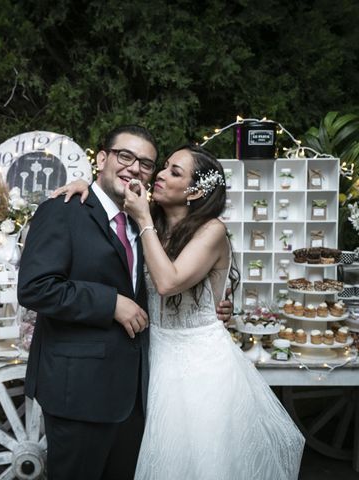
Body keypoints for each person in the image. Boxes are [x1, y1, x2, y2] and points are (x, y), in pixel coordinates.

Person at [59, 144, 305, 479]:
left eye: (174, 172)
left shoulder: (211, 230)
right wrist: (87, 184)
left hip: (201, 366)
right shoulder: (149, 224)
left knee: (202, 462)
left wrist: (143, 218)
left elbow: (167, 282)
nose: (159, 174)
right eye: (164, 167)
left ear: (195, 191)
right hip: (152, 355)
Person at [17, 126, 233, 480]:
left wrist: (219, 305)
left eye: (147, 164)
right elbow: (36, 288)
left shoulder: (146, 220)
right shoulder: (64, 210)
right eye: (125, 156)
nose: (137, 168)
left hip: (142, 392)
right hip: (80, 391)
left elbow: (186, 278)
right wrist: (110, 303)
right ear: (102, 158)